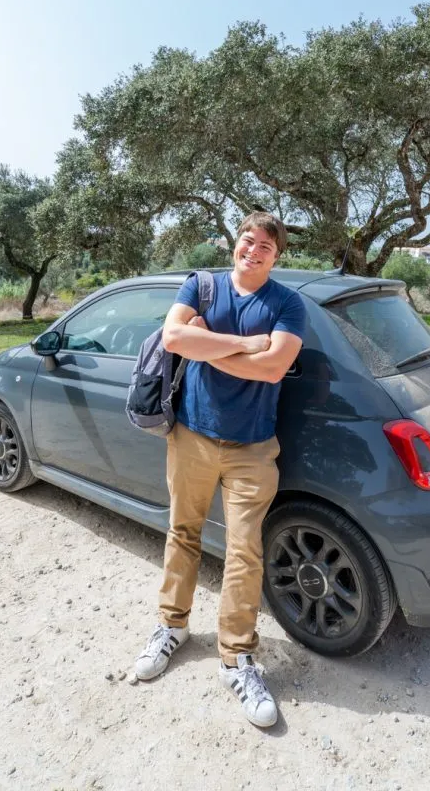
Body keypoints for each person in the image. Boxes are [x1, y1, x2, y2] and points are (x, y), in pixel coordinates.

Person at [134, 212, 305, 727]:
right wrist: (247, 344)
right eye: (248, 241)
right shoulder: (201, 285)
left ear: (277, 257)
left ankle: (237, 657)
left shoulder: (287, 303)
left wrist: (211, 344)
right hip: (191, 435)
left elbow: (274, 367)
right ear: (236, 243)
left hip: (253, 447)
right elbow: (173, 339)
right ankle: (172, 626)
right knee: (182, 532)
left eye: (266, 248)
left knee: (244, 551)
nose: (254, 251)